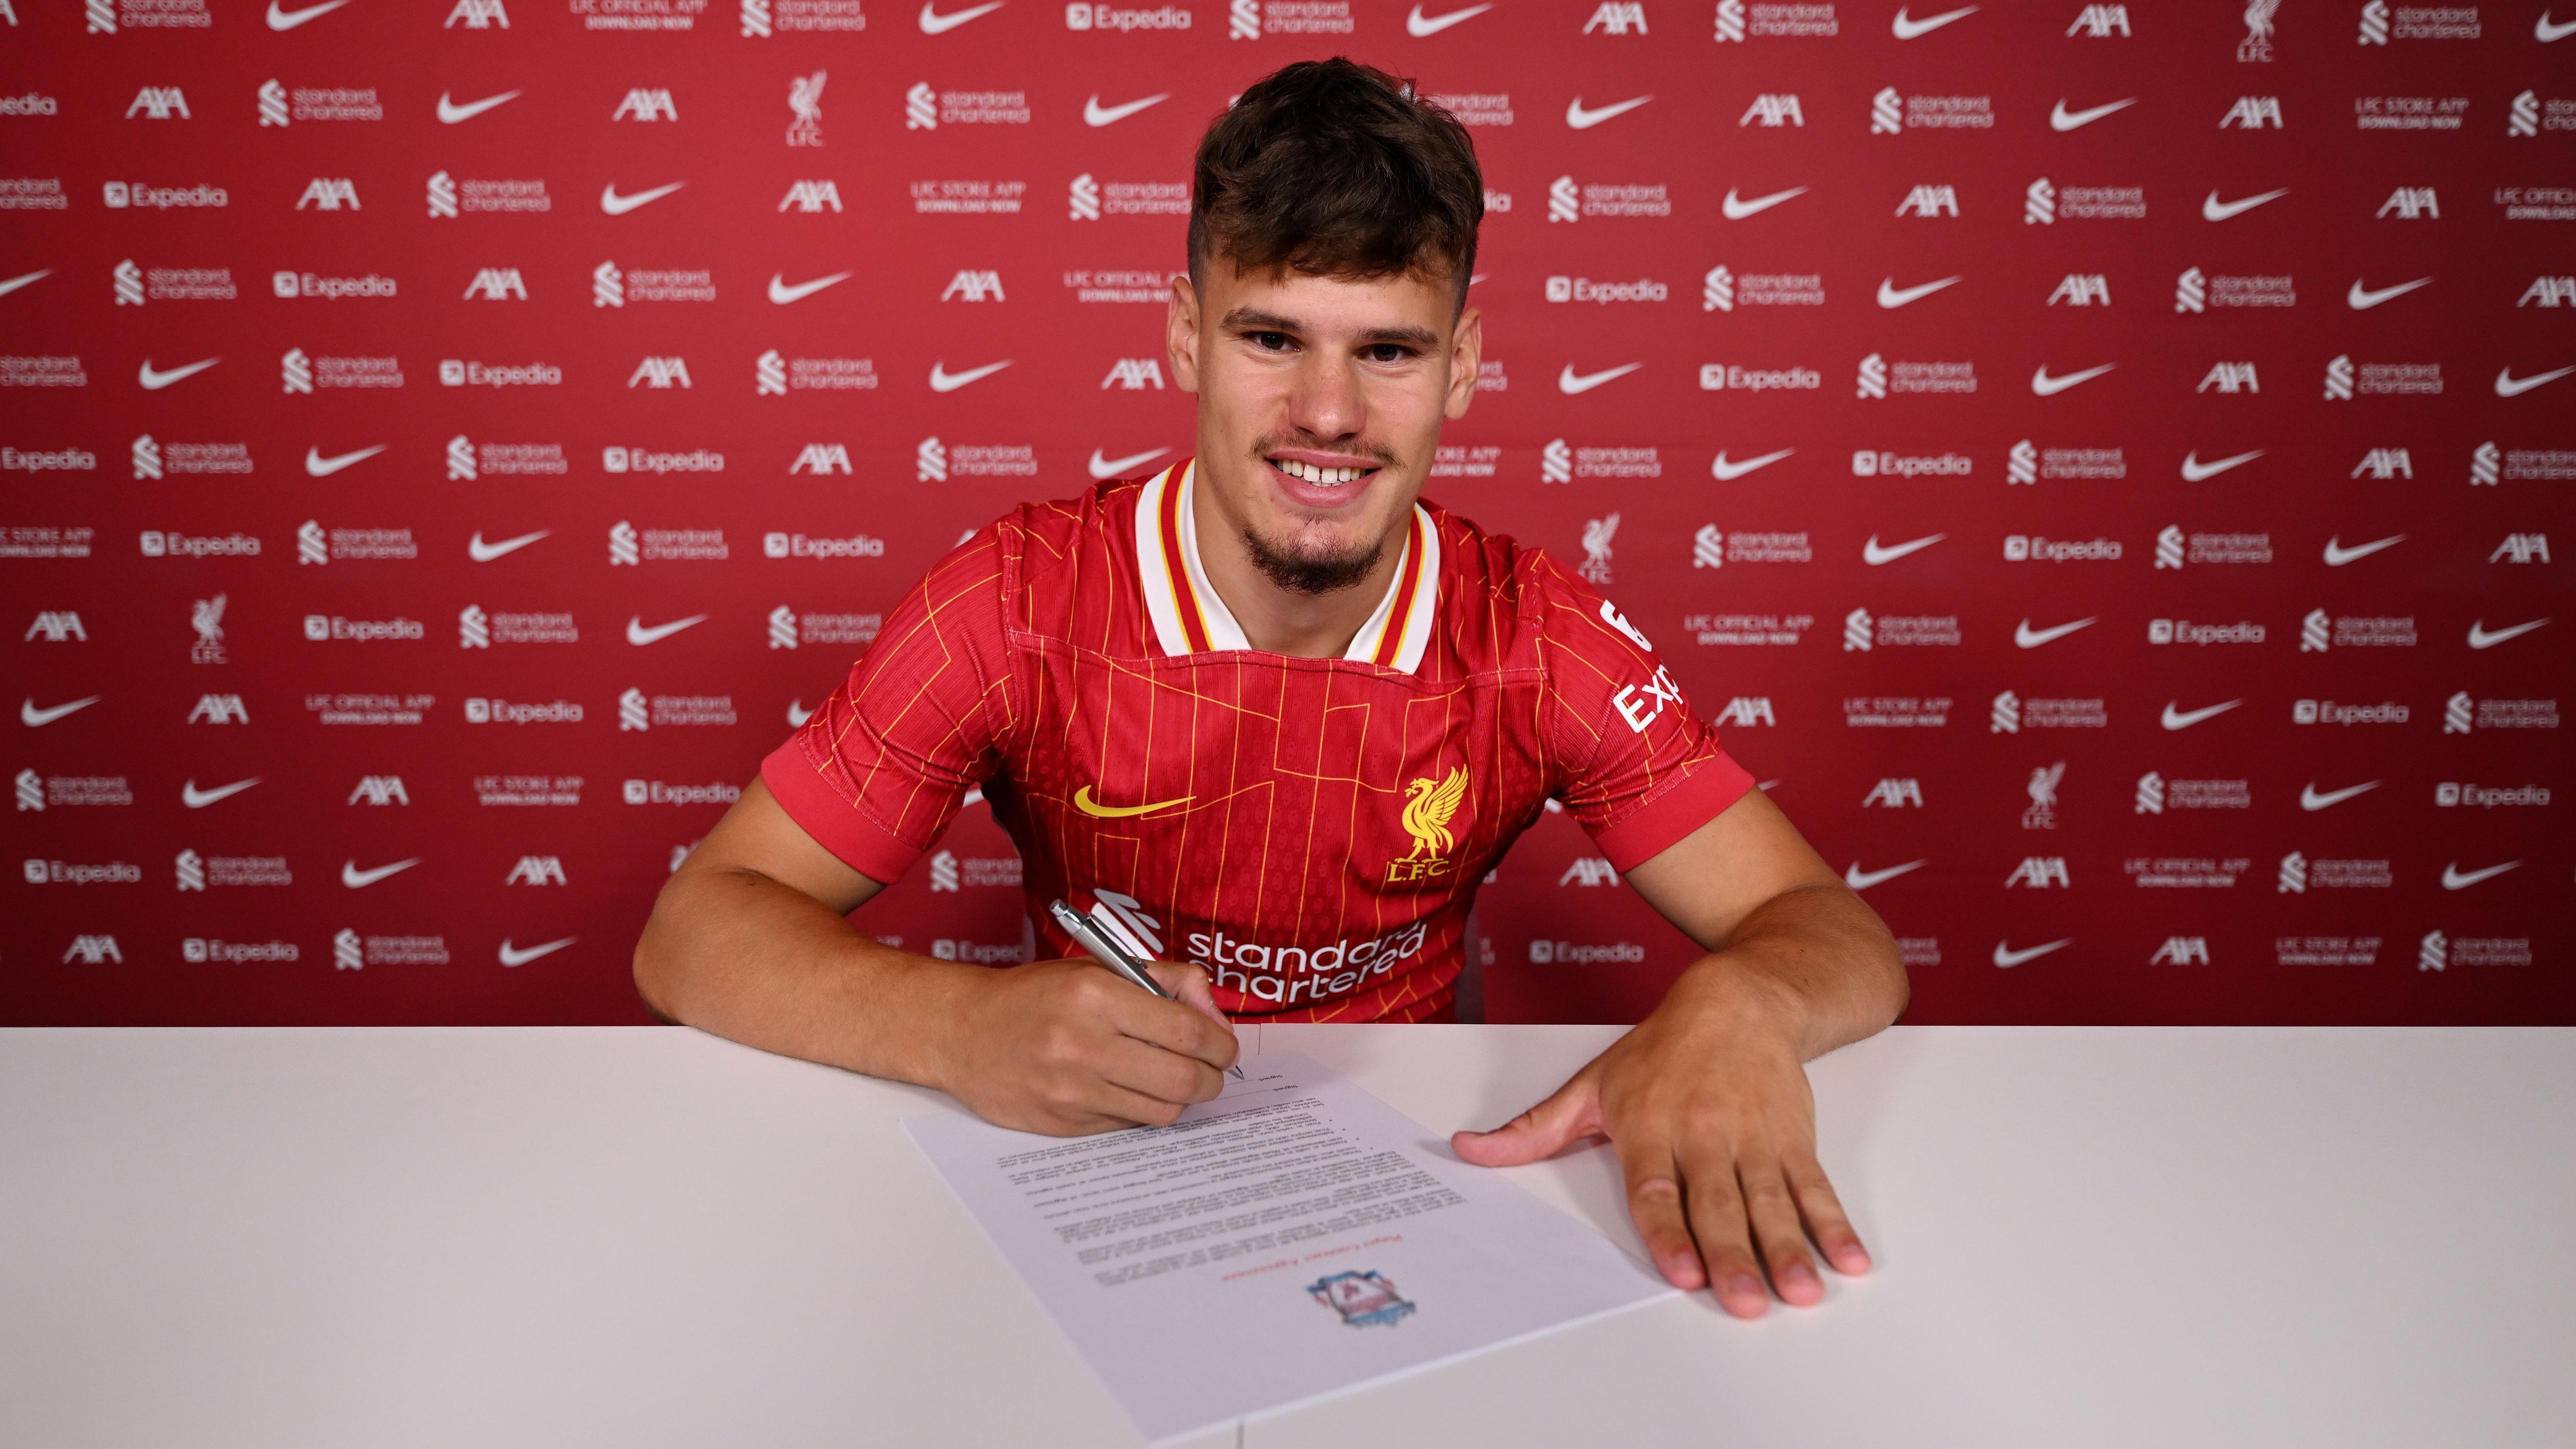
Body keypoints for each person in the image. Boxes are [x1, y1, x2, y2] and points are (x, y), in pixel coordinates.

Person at [634, 57, 1908, 1319]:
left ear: (1462, 364)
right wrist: (952, 1027)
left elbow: (1828, 929)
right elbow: (694, 930)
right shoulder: (1018, 598)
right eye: (1270, 337)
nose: (1328, 412)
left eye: (1388, 349)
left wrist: (1742, 1001)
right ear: (1187, 334)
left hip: (1414, 1176)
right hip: (1092, 1171)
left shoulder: (1533, 632)